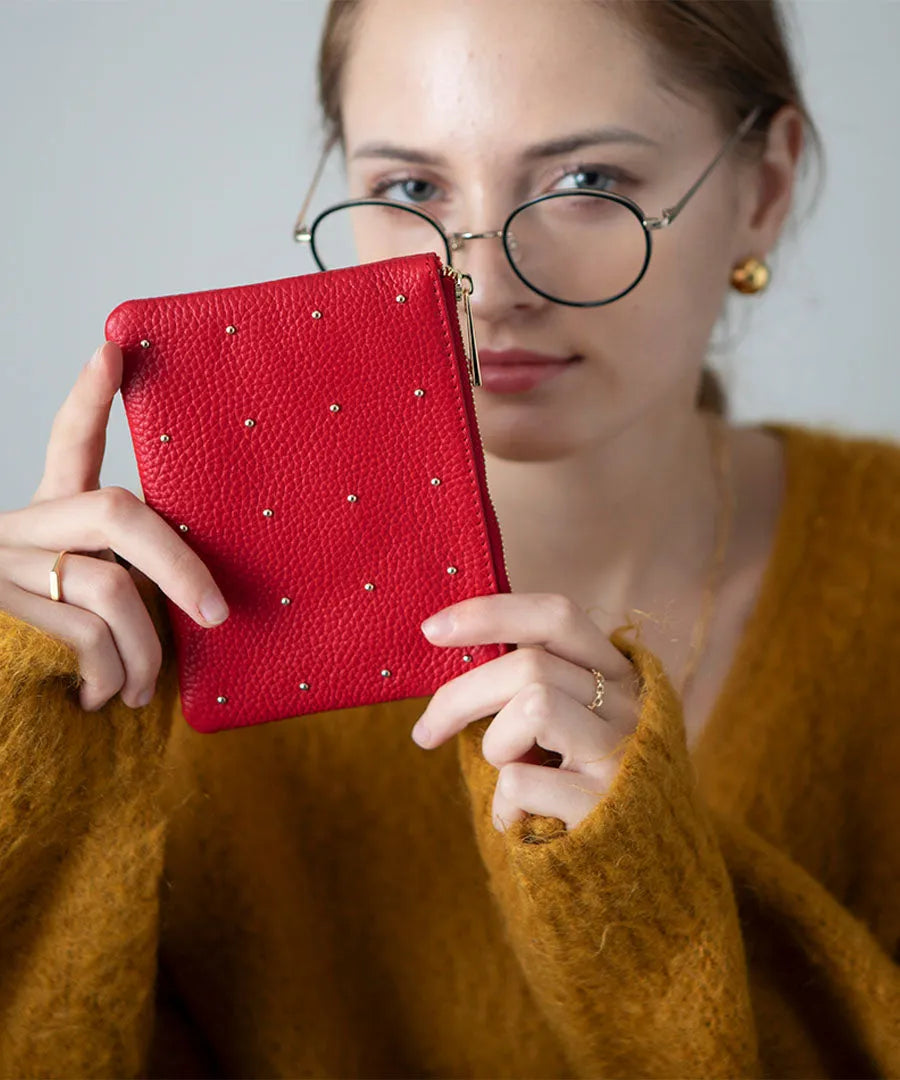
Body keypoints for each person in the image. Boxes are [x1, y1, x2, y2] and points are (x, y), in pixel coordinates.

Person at [0, 1, 898, 1076]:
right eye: (412, 189)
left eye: (589, 184)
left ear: (764, 187)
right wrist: (32, 789)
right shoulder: (170, 630)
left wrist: (650, 893)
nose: (487, 287)